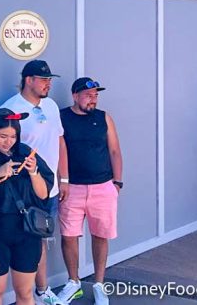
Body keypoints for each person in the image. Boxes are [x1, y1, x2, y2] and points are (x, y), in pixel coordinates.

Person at [0, 60, 68, 305]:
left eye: (50, 80)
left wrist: (64, 178)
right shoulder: (10, 109)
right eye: (43, 80)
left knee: (41, 240)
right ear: (28, 80)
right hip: (26, 192)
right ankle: (28, 293)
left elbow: (60, 141)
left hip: (50, 189)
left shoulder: (51, 105)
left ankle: (41, 291)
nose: (48, 84)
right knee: (28, 241)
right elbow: (3, 148)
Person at [56, 78, 122, 305]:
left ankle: (99, 285)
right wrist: (63, 180)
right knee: (69, 236)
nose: (93, 99)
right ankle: (73, 282)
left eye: (95, 95)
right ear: (75, 96)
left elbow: (115, 151)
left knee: (100, 235)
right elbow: (58, 149)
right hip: (71, 188)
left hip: (103, 186)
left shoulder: (104, 118)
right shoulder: (62, 117)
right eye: (88, 95)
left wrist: (117, 183)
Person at [0, 109, 54, 305]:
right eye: (3, 136)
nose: (9, 142)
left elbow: (43, 194)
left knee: (24, 292)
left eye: (13, 136)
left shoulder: (24, 152)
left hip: (26, 231)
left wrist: (33, 172)